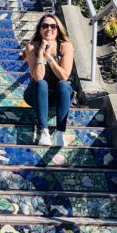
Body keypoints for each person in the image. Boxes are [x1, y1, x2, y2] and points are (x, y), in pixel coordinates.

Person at [24, 14, 74, 146]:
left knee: (63, 84)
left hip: (60, 96)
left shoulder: (66, 46)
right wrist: (41, 53)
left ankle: (60, 132)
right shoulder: (31, 46)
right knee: (41, 83)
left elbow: (64, 76)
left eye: (53, 26)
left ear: (58, 29)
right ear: (40, 30)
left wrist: (50, 57)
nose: (49, 29)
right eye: (45, 26)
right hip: (36, 95)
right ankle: (44, 131)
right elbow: (37, 77)